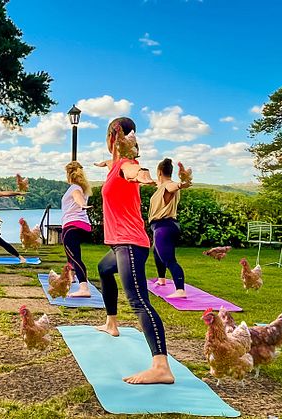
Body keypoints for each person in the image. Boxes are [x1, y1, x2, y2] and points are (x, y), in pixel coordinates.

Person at [94, 117, 175, 384]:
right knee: (104, 269)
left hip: (130, 243)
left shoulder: (128, 165)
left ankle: (161, 366)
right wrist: (107, 162)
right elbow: (117, 165)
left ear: (111, 138)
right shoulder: (115, 165)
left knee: (139, 301)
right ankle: (111, 323)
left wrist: (143, 176)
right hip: (120, 243)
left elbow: (133, 171)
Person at [148, 158, 191, 298]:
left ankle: (180, 290)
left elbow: (173, 187)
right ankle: (161, 280)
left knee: (169, 259)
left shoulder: (168, 186)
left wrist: (182, 183)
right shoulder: (161, 186)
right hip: (164, 226)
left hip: (164, 227)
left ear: (159, 172)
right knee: (156, 252)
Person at [60, 161, 93, 297]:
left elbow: (78, 199)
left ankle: (84, 288)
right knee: (71, 254)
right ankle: (71, 276)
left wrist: (83, 205)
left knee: (75, 257)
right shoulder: (81, 187)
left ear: (68, 174)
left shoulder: (74, 188)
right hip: (81, 225)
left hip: (71, 226)